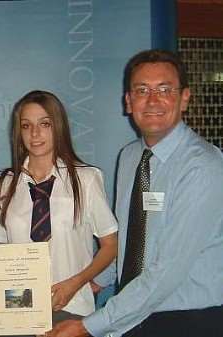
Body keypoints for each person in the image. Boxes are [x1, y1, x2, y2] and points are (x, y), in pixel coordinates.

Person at [48, 49, 223, 337]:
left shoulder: (203, 166)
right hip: (136, 313)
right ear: (129, 101)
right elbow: (131, 239)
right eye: (142, 90)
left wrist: (87, 326)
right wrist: (92, 281)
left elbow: (167, 271)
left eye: (164, 89)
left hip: (189, 320)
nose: (153, 100)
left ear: (185, 98)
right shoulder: (130, 157)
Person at [0, 90, 118, 322]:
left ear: (57, 127)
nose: (35, 133)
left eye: (44, 124)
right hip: (18, 308)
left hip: (72, 306)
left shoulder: (86, 179)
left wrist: (76, 283)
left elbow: (110, 245)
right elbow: (0, 251)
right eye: (26, 126)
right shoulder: (4, 184)